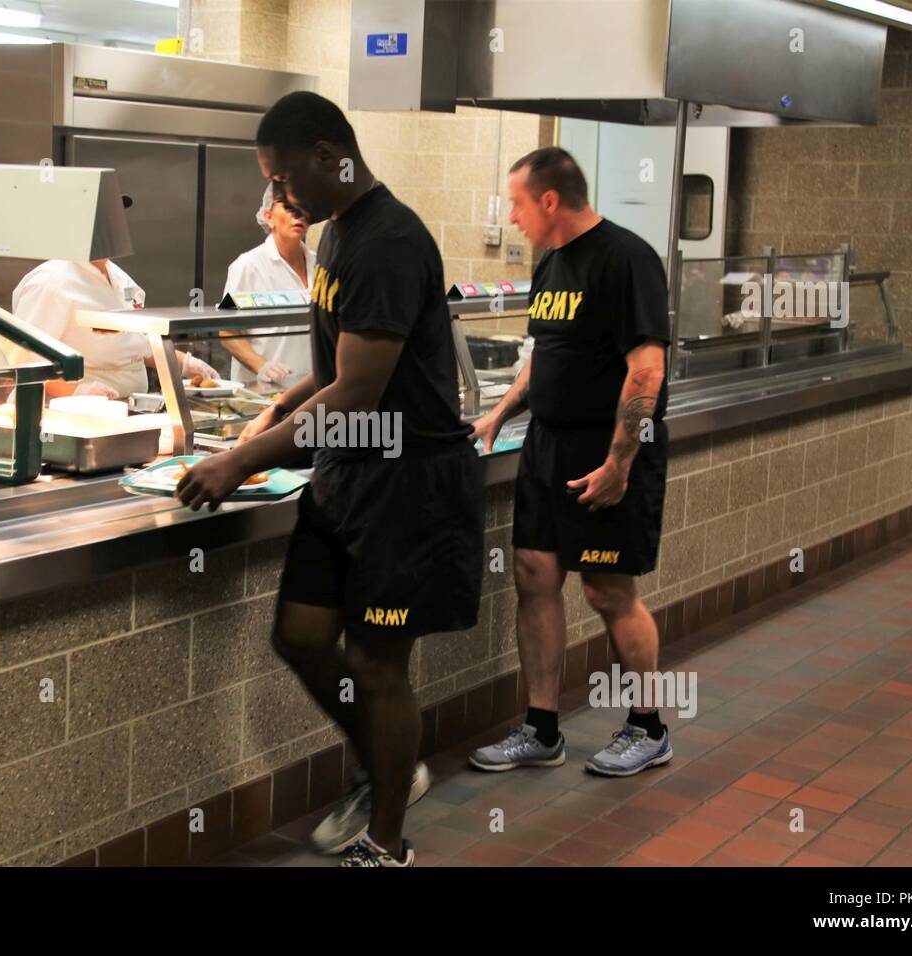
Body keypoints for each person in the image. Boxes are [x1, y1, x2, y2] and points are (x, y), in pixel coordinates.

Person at [175, 91, 485, 867]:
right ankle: (386, 766)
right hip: (345, 477)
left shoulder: (387, 241)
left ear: (326, 155)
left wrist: (240, 460)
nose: (280, 197)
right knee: (302, 635)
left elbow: (357, 394)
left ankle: (387, 843)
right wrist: (274, 410)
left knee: (380, 665)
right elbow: (330, 369)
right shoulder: (339, 237)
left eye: (283, 180)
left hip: (402, 486)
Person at [467, 146, 672, 779]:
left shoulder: (628, 259)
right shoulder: (552, 264)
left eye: (518, 204)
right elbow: (544, 353)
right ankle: (542, 728)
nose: (514, 217)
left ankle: (649, 726)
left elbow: (646, 369)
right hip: (546, 445)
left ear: (550, 200)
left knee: (607, 589)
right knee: (533, 574)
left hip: (606, 445)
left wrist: (619, 463)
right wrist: (500, 414)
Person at [10, 258, 215, 399]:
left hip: (124, 409)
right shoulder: (51, 281)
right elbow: (26, 363)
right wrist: (78, 391)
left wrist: (184, 363)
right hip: (66, 416)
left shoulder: (119, 278)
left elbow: (137, 344)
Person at [219, 183, 316, 391]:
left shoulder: (321, 264)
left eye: (304, 207)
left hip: (310, 391)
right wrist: (262, 366)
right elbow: (226, 331)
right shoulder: (248, 266)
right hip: (261, 394)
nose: (298, 215)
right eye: (289, 207)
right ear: (269, 216)